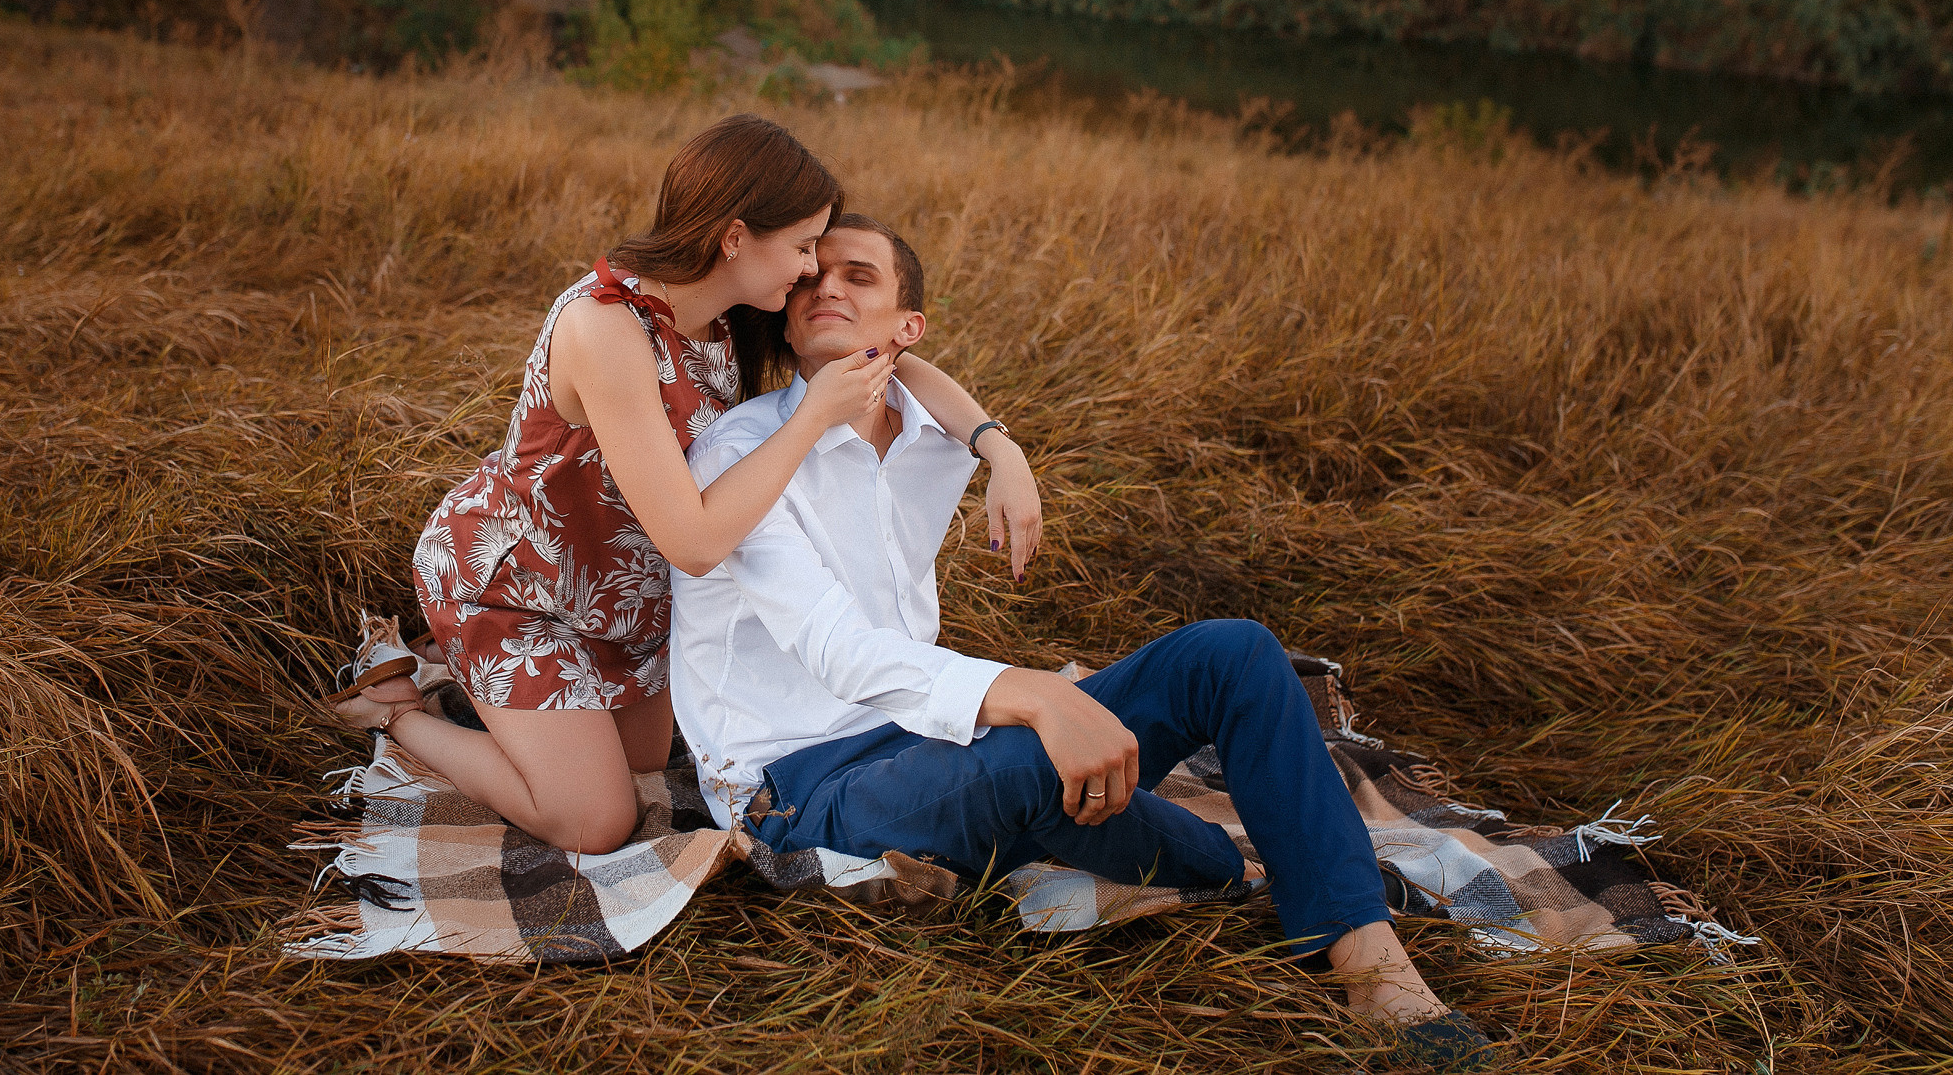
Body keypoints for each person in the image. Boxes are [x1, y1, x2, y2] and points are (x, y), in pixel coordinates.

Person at [668, 216, 1497, 1069]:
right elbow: (835, 649)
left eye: (860, 277)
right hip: (799, 780)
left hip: (933, 738)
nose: (826, 288)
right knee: (1072, 784)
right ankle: (1241, 864)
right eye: (812, 278)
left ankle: (1372, 963)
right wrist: (1037, 694)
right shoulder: (738, 453)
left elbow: (924, 384)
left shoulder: (924, 426)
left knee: (1237, 652)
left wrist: (1003, 449)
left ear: (906, 330)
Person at [329, 116, 1042, 857]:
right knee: (597, 820)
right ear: (735, 238)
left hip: (625, 595)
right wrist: (812, 419)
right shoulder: (605, 328)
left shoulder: (727, 312)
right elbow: (696, 544)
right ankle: (397, 712)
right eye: (801, 246)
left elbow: (879, 355)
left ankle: (498, 693)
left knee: (644, 761)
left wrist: (999, 448)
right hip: (517, 589)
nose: (808, 270)